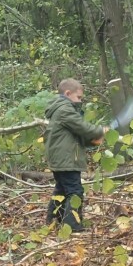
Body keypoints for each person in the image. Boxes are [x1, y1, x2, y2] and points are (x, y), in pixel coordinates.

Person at [44, 78, 109, 233]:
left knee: (62, 190)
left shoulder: (61, 109)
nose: (80, 101)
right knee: (75, 191)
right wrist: (100, 131)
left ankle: (53, 220)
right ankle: (72, 226)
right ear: (68, 93)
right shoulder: (64, 110)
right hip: (65, 159)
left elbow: (74, 136)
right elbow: (83, 128)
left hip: (61, 158)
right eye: (78, 97)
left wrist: (93, 141)